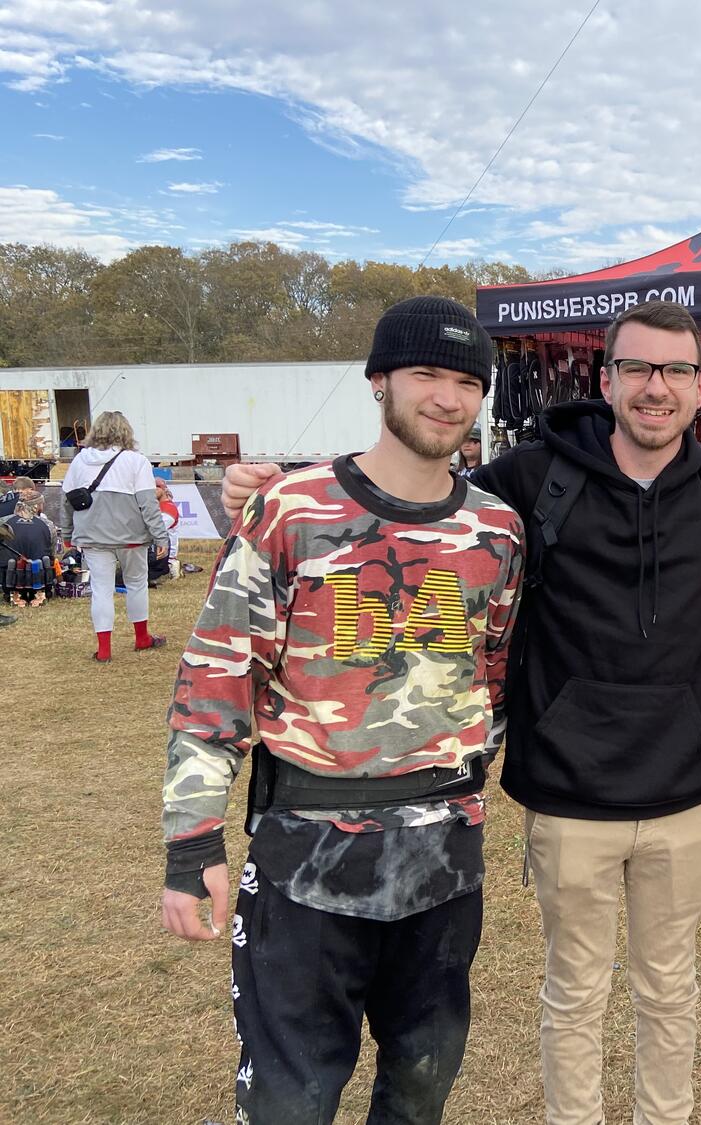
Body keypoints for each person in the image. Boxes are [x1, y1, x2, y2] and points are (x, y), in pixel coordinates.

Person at [221, 299, 701, 1125]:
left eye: (677, 370)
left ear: (700, 383)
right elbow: (410, 487)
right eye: (640, 368)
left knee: (672, 988)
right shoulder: (535, 479)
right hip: (571, 794)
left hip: (687, 793)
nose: (658, 387)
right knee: (574, 992)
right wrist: (277, 490)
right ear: (606, 379)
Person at [160, 296, 525, 1124]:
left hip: (441, 862)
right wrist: (191, 846)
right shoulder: (291, 510)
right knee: (291, 1099)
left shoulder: (497, 530)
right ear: (378, 380)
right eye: (426, 374)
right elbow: (217, 680)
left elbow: (492, 674)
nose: (447, 397)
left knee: (422, 1086)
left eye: (467, 382)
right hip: (305, 862)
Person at [58, 412, 170, 662]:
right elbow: (148, 504)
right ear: (126, 431)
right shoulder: (136, 460)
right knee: (136, 584)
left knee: (101, 590)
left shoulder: (80, 461)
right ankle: (142, 637)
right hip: (131, 535)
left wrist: (67, 534)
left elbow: (65, 501)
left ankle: (104, 649)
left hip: (93, 535)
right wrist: (160, 537)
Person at [148, 477, 180, 585]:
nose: (152, 491)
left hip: (163, 554)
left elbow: (158, 528)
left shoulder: (169, 507)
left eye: (156, 488)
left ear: (163, 489)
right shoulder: (155, 506)